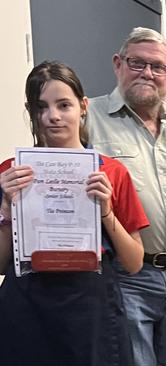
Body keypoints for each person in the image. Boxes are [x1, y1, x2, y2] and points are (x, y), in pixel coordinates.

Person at [0, 60, 148, 366]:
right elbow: (2, 265)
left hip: (91, 312)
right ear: (31, 113)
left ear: (82, 107)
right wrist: (6, 211)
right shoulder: (10, 172)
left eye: (63, 105)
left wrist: (106, 212)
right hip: (27, 310)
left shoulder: (111, 172)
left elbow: (134, 262)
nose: (52, 116)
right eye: (41, 107)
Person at [84, 27, 166, 366]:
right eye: (136, 62)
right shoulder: (87, 120)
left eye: (157, 67)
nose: (147, 73)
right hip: (124, 277)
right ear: (117, 64)